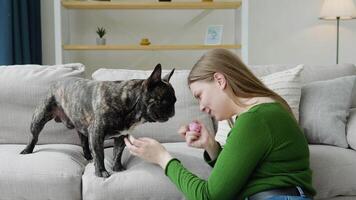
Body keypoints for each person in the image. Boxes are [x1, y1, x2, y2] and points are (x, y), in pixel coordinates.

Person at [124, 48, 316, 200]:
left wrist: (162, 158)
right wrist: (212, 147)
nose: (201, 107)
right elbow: (238, 176)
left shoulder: (256, 120)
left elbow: (209, 196)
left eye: (200, 95)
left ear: (219, 80)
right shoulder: (261, 114)